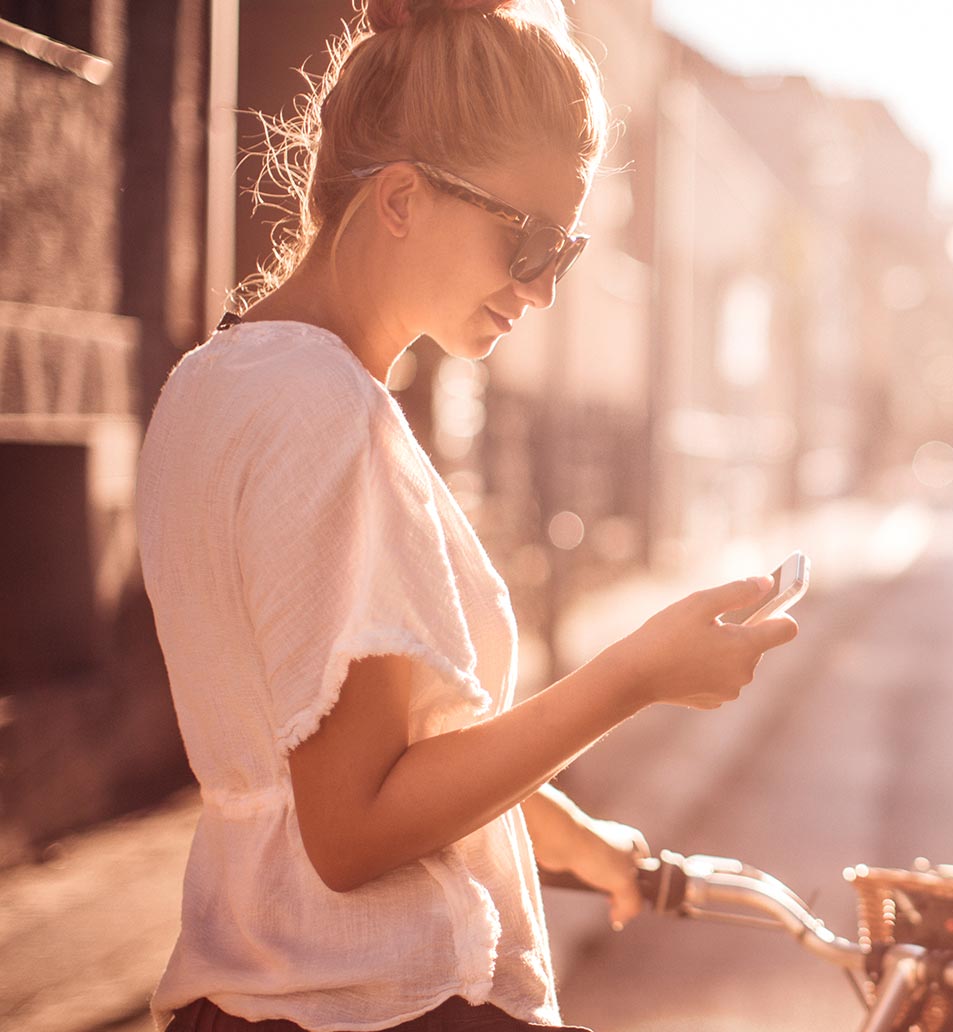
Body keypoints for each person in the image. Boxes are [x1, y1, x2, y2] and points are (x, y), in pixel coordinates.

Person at [133, 1, 799, 1028]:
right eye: (526, 242)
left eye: (563, 253)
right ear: (399, 199)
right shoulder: (329, 415)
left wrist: (570, 834)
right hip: (382, 1003)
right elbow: (350, 831)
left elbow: (349, 750)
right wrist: (635, 676)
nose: (539, 293)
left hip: (249, 994)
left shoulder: (212, 383)